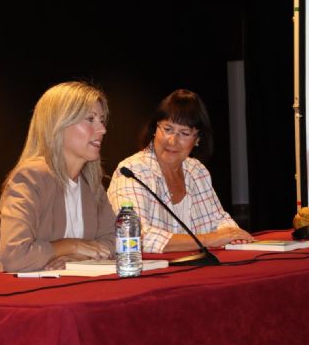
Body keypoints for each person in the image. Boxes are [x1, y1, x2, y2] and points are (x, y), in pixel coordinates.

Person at [0, 81, 115, 274]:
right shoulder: (30, 177)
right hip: (8, 295)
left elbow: (115, 242)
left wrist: (74, 258)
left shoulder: (91, 184)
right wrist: (71, 246)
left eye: (102, 120)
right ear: (59, 125)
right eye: (90, 119)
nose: (102, 130)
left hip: (65, 289)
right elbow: (16, 257)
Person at [107, 89, 253, 253]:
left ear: (197, 139)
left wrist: (234, 234)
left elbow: (219, 220)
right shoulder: (132, 171)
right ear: (155, 129)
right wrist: (209, 239)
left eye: (184, 133)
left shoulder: (196, 170)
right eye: (168, 129)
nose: (172, 141)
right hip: (152, 273)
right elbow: (137, 236)